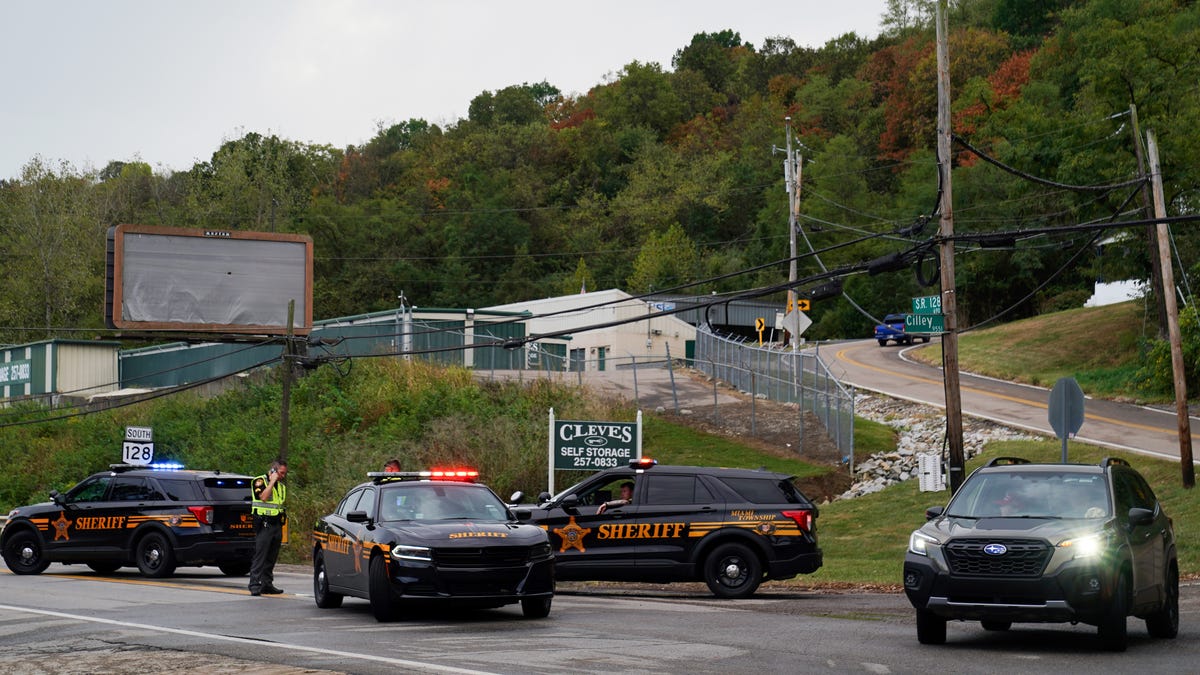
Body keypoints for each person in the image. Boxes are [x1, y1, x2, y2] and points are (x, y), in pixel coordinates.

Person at [249, 459, 288, 596]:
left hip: (276, 524)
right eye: (281, 473)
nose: (283, 476)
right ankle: (254, 584)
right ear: (273, 471)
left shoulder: (281, 487)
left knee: (272, 556)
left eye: (284, 473)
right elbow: (264, 497)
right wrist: (271, 481)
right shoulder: (259, 482)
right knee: (260, 555)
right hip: (264, 524)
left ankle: (267, 584)